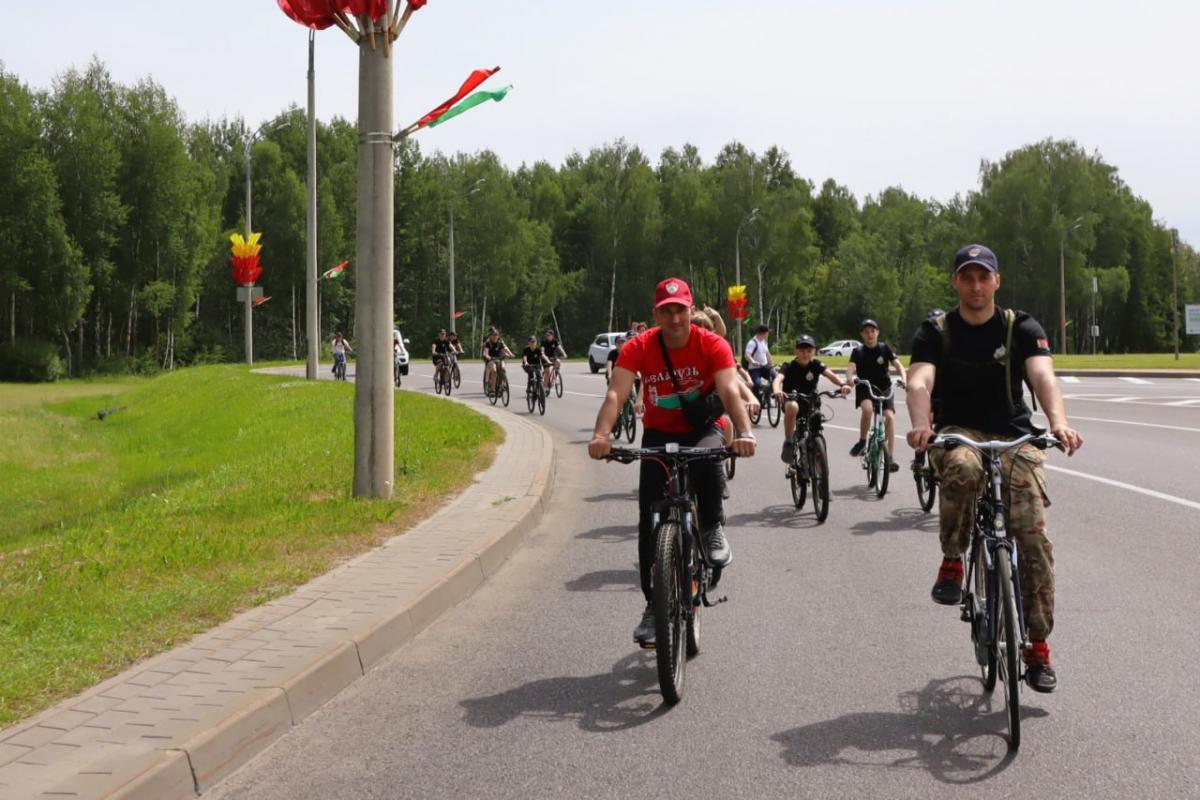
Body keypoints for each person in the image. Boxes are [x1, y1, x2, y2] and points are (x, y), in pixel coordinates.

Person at [906, 244, 1083, 693]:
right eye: (967, 277)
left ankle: (1037, 647)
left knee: (1033, 537)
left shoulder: (1020, 327)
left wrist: (1058, 422)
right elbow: (919, 379)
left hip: (1013, 437)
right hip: (957, 432)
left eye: (984, 277)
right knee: (963, 469)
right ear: (956, 283)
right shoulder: (936, 330)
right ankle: (952, 560)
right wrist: (921, 425)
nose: (976, 285)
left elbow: (1043, 376)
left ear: (997, 282)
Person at [588, 277, 756, 646]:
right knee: (649, 520)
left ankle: (711, 527)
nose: (675, 318)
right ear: (656, 315)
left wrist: (743, 432)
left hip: (700, 429)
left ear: (691, 311)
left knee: (711, 465)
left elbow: (729, 389)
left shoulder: (711, 343)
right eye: (667, 311)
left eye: (681, 309)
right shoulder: (640, 346)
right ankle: (653, 607)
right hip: (659, 436)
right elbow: (617, 393)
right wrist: (602, 435)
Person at [772, 335, 852, 462]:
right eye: (802, 351)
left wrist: (843, 384)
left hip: (810, 402)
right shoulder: (788, 366)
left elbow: (831, 375)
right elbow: (778, 379)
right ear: (795, 351)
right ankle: (788, 441)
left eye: (809, 351)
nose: (805, 354)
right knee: (793, 407)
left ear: (814, 351)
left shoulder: (816, 364)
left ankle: (819, 465)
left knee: (816, 426)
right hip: (792, 400)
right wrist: (777, 390)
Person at [846, 319, 907, 470]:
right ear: (862, 335)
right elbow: (851, 367)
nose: (870, 334)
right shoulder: (858, 351)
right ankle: (862, 441)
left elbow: (898, 364)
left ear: (877, 332)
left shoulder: (884, 348)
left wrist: (904, 379)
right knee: (867, 409)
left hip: (884, 387)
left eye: (872, 331)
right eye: (866, 332)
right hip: (865, 387)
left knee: (889, 417)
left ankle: (890, 457)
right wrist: (850, 379)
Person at [744, 324, 776, 402]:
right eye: (767, 332)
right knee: (757, 384)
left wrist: (772, 365)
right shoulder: (752, 342)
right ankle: (756, 401)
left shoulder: (764, 342)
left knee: (775, 377)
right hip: (754, 369)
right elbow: (747, 355)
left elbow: (767, 354)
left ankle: (767, 399)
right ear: (763, 333)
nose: (768, 334)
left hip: (764, 367)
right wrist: (753, 361)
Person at [482, 327, 513, 394]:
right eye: (493, 335)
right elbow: (485, 353)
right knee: (494, 370)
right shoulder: (488, 342)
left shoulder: (500, 342)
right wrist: (489, 357)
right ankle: (492, 388)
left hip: (499, 359)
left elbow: (504, 349)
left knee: (503, 369)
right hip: (491, 359)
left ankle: (503, 384)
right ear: (490, 335)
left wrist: (510, 354)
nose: (495, 336)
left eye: (496, 335)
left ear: (498, 336)